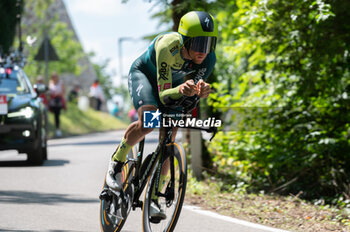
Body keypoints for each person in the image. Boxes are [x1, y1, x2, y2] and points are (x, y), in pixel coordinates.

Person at [105, 11, 217, 220]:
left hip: (174, 86)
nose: (203, 51)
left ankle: (154, 198)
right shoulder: (168, 46)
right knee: (149, 122)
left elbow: (190, 93)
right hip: (146, 76)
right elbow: (165, 94)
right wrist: (182, 89)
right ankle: (117, 161)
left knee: (168, 140)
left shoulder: (208, 59)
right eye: (199, 44)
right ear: (184, 40)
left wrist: (200, 90)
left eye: (209, 44)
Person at [48, 72, 66, 137]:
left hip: (58, 101)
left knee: (57, 115)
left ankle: (58, 129)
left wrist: (58, 94)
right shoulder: (50, 83)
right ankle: (51, 130)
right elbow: (49, 92)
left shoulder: (60, 83)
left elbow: (64, 92)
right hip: (52, 101)